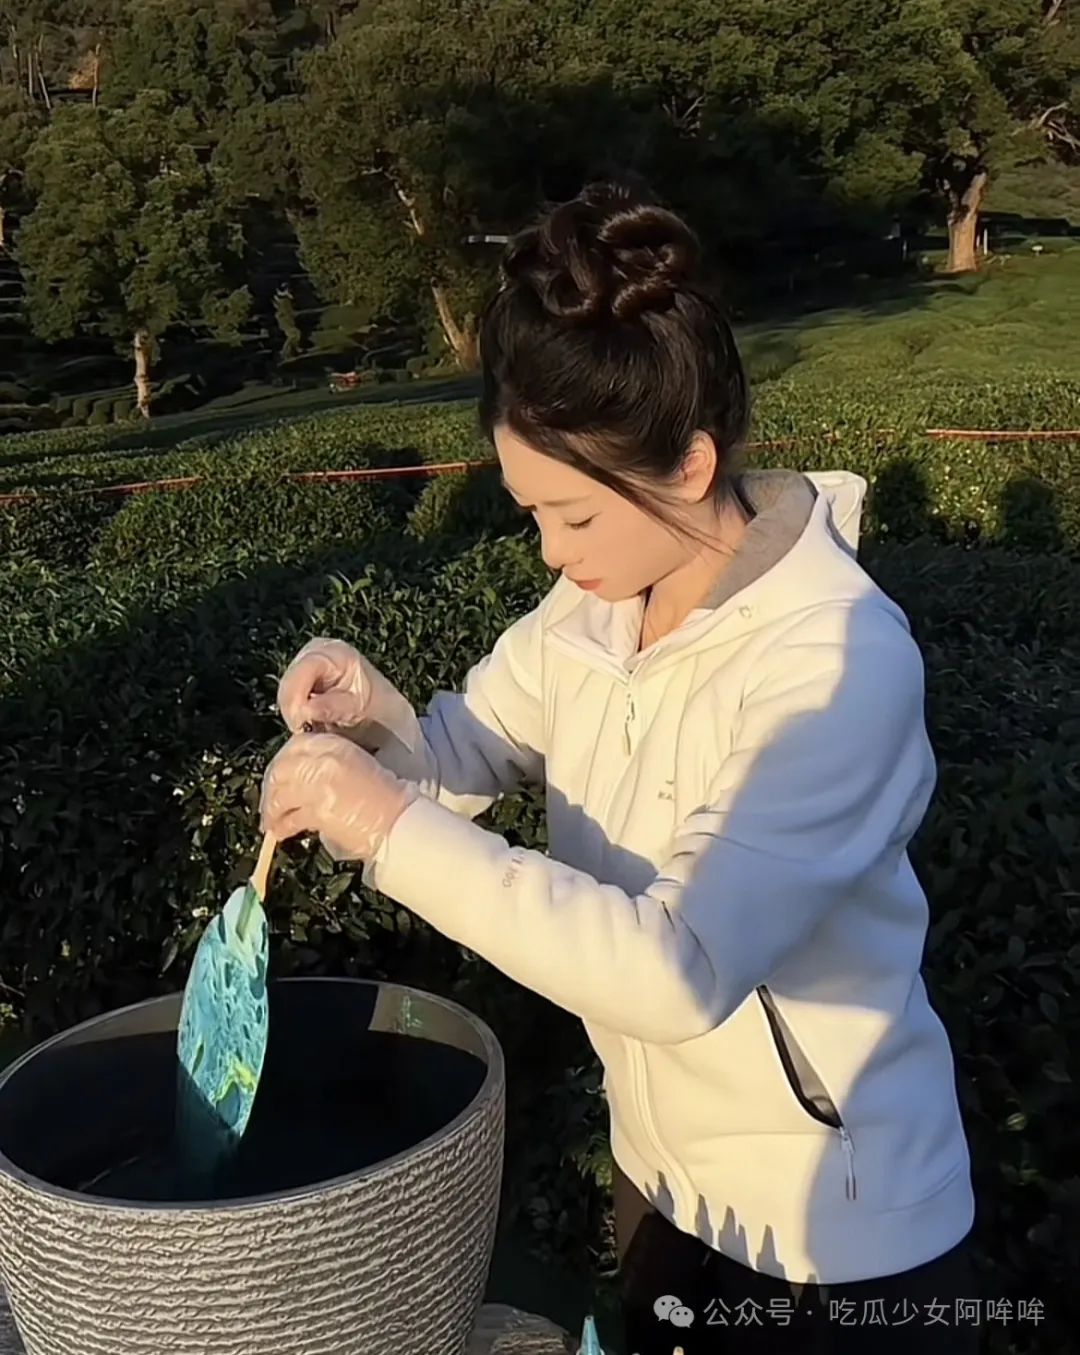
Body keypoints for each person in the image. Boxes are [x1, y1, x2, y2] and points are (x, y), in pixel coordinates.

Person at [261, 181, 978, 1354]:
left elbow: (680, 969)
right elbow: (454, 759)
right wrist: (367, 721)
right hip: (665, 1184)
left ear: (690, 463)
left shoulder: (836, 664)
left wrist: (386, 826)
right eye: (531, 512)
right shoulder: (591, 612)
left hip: (839, 1239)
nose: (552, 551)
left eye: (577, 516)